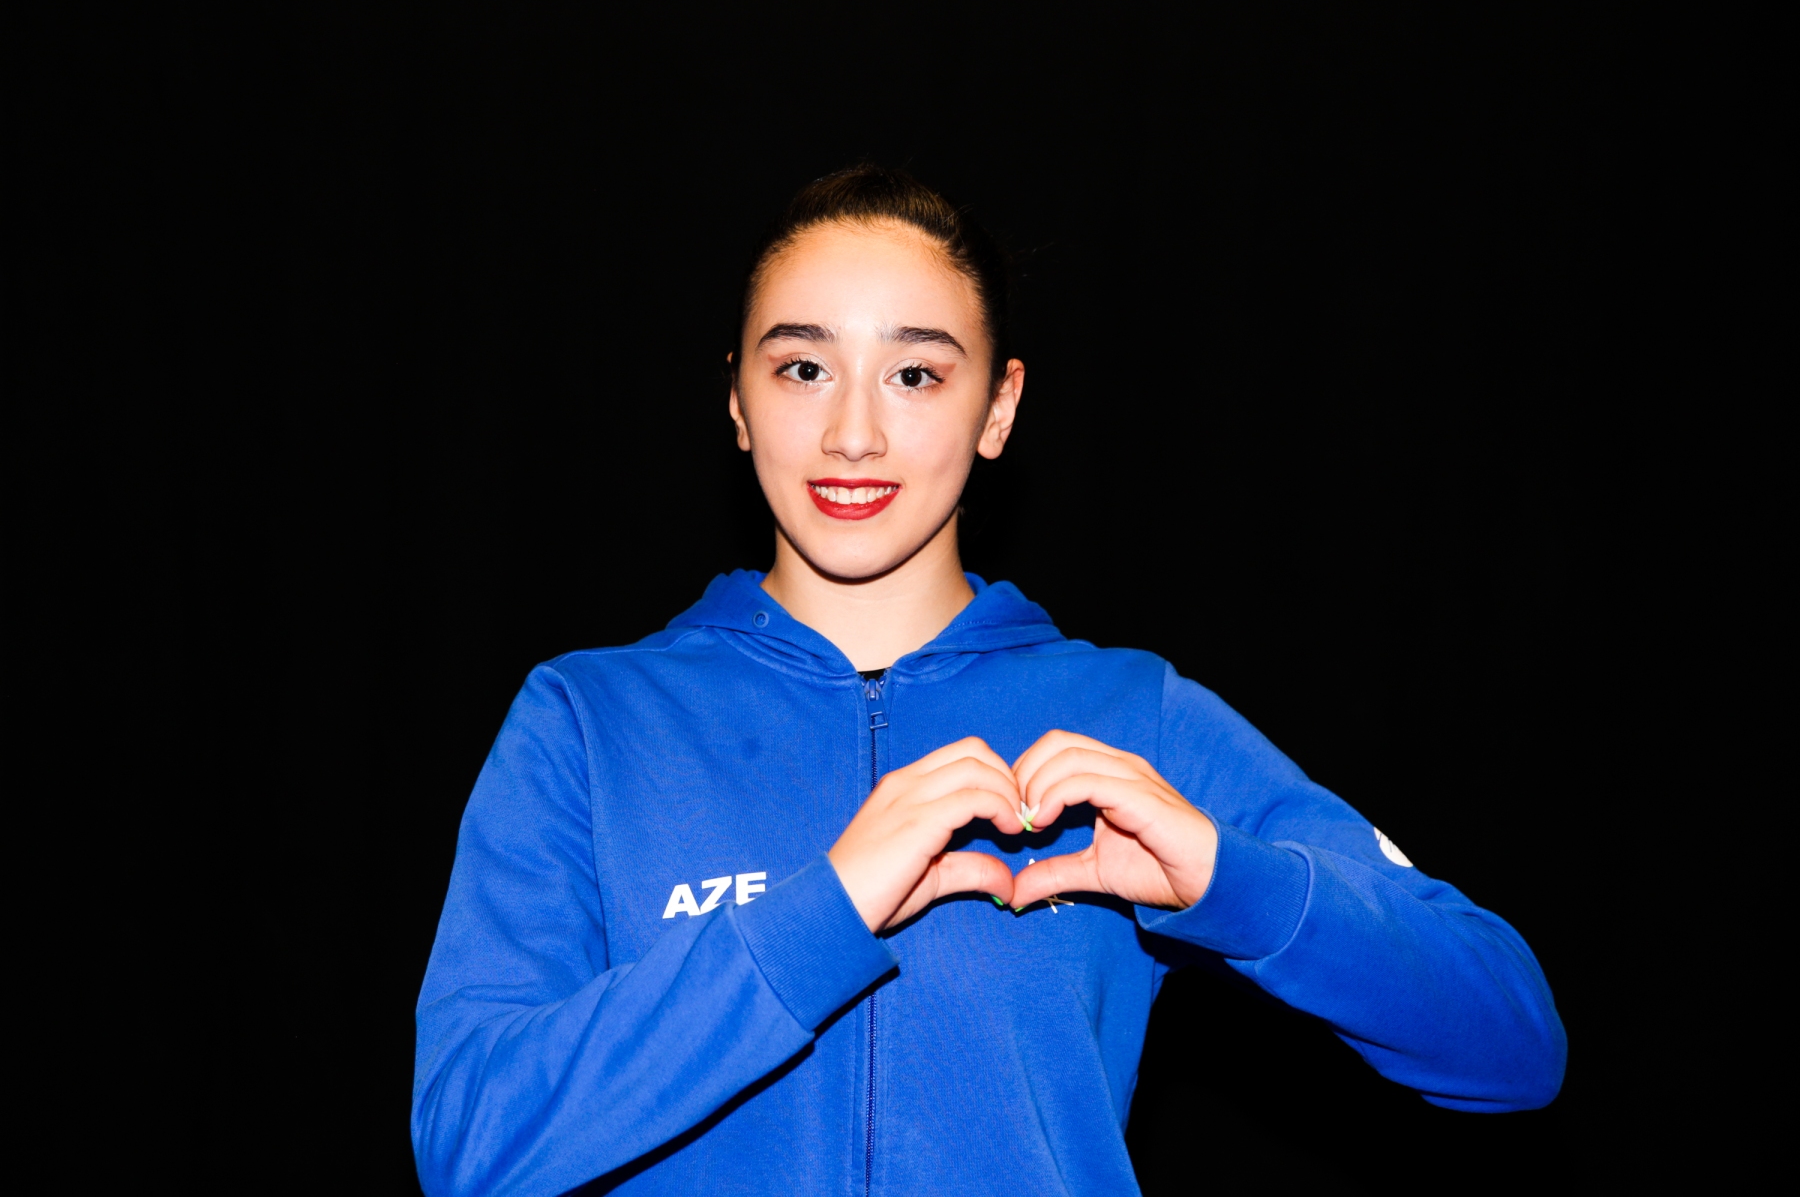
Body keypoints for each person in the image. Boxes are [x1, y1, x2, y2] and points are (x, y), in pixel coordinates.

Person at [411, 165, 1565, 1197]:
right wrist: (823, 912)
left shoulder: (1134, 716)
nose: (853, 433)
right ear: (737, 401)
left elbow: (1513, 1043)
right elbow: (470, 1143)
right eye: (804, 367)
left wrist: (1232, 880)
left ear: (999, 408)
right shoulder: (589, 720)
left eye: (915, 374)